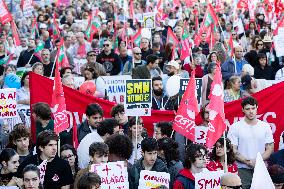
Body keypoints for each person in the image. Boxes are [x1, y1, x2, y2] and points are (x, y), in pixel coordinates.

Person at [228, 96, 274, 189]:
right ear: (243, 110)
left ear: (257, 107)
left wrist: (257, 161)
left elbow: (270, 148)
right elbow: (233, 149)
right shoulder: (235, 127)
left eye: (253, 108)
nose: (251, 111)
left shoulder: (265, 126)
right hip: (242, 169)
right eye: (247, 109)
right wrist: (247, 161)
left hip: (261, 168)